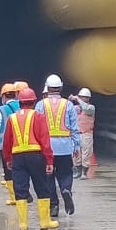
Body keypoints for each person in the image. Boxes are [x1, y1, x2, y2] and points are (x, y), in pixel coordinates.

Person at [2, 87, 57, 230]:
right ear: (33, 101)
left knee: (20, 189)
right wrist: (49, 161)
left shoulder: (12, 118)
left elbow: (6, 142)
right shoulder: (39, 117)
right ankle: (45, 222)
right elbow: (45, 141)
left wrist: (8, 158)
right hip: (36, 156)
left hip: (17, 157)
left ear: (19, 102)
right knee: (41, 187)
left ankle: (23, 225)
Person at [36, 74, 80, 218]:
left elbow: (36, 127)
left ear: (47, 88)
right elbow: (74, 127)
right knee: (66, 173)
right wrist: (76, 146)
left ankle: (53, 205)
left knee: (48, 176)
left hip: (47, 148)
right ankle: (66, 189)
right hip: (65, 146)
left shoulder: (40, 104)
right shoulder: (68, 104)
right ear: (61, 88)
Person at [0, 83, 21, 206]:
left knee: (8, 170)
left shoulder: (1, 109)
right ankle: (22, 194)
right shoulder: (22, 106)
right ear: (15, 95)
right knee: (20, 169)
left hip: (5, 145)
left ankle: (13, 197)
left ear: (3, 96)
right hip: (21, 143)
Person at [74, 87, 95, 178]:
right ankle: (78, 171)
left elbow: (86, 109)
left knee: (86, 153)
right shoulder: (76, 108)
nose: (82, 98)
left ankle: (84, 173)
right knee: (76, 154)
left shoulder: (91, 108)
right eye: (81, 97)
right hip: (77, 134)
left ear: (88, 98)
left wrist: (77, 99)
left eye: (84, 97)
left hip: (87, 133)